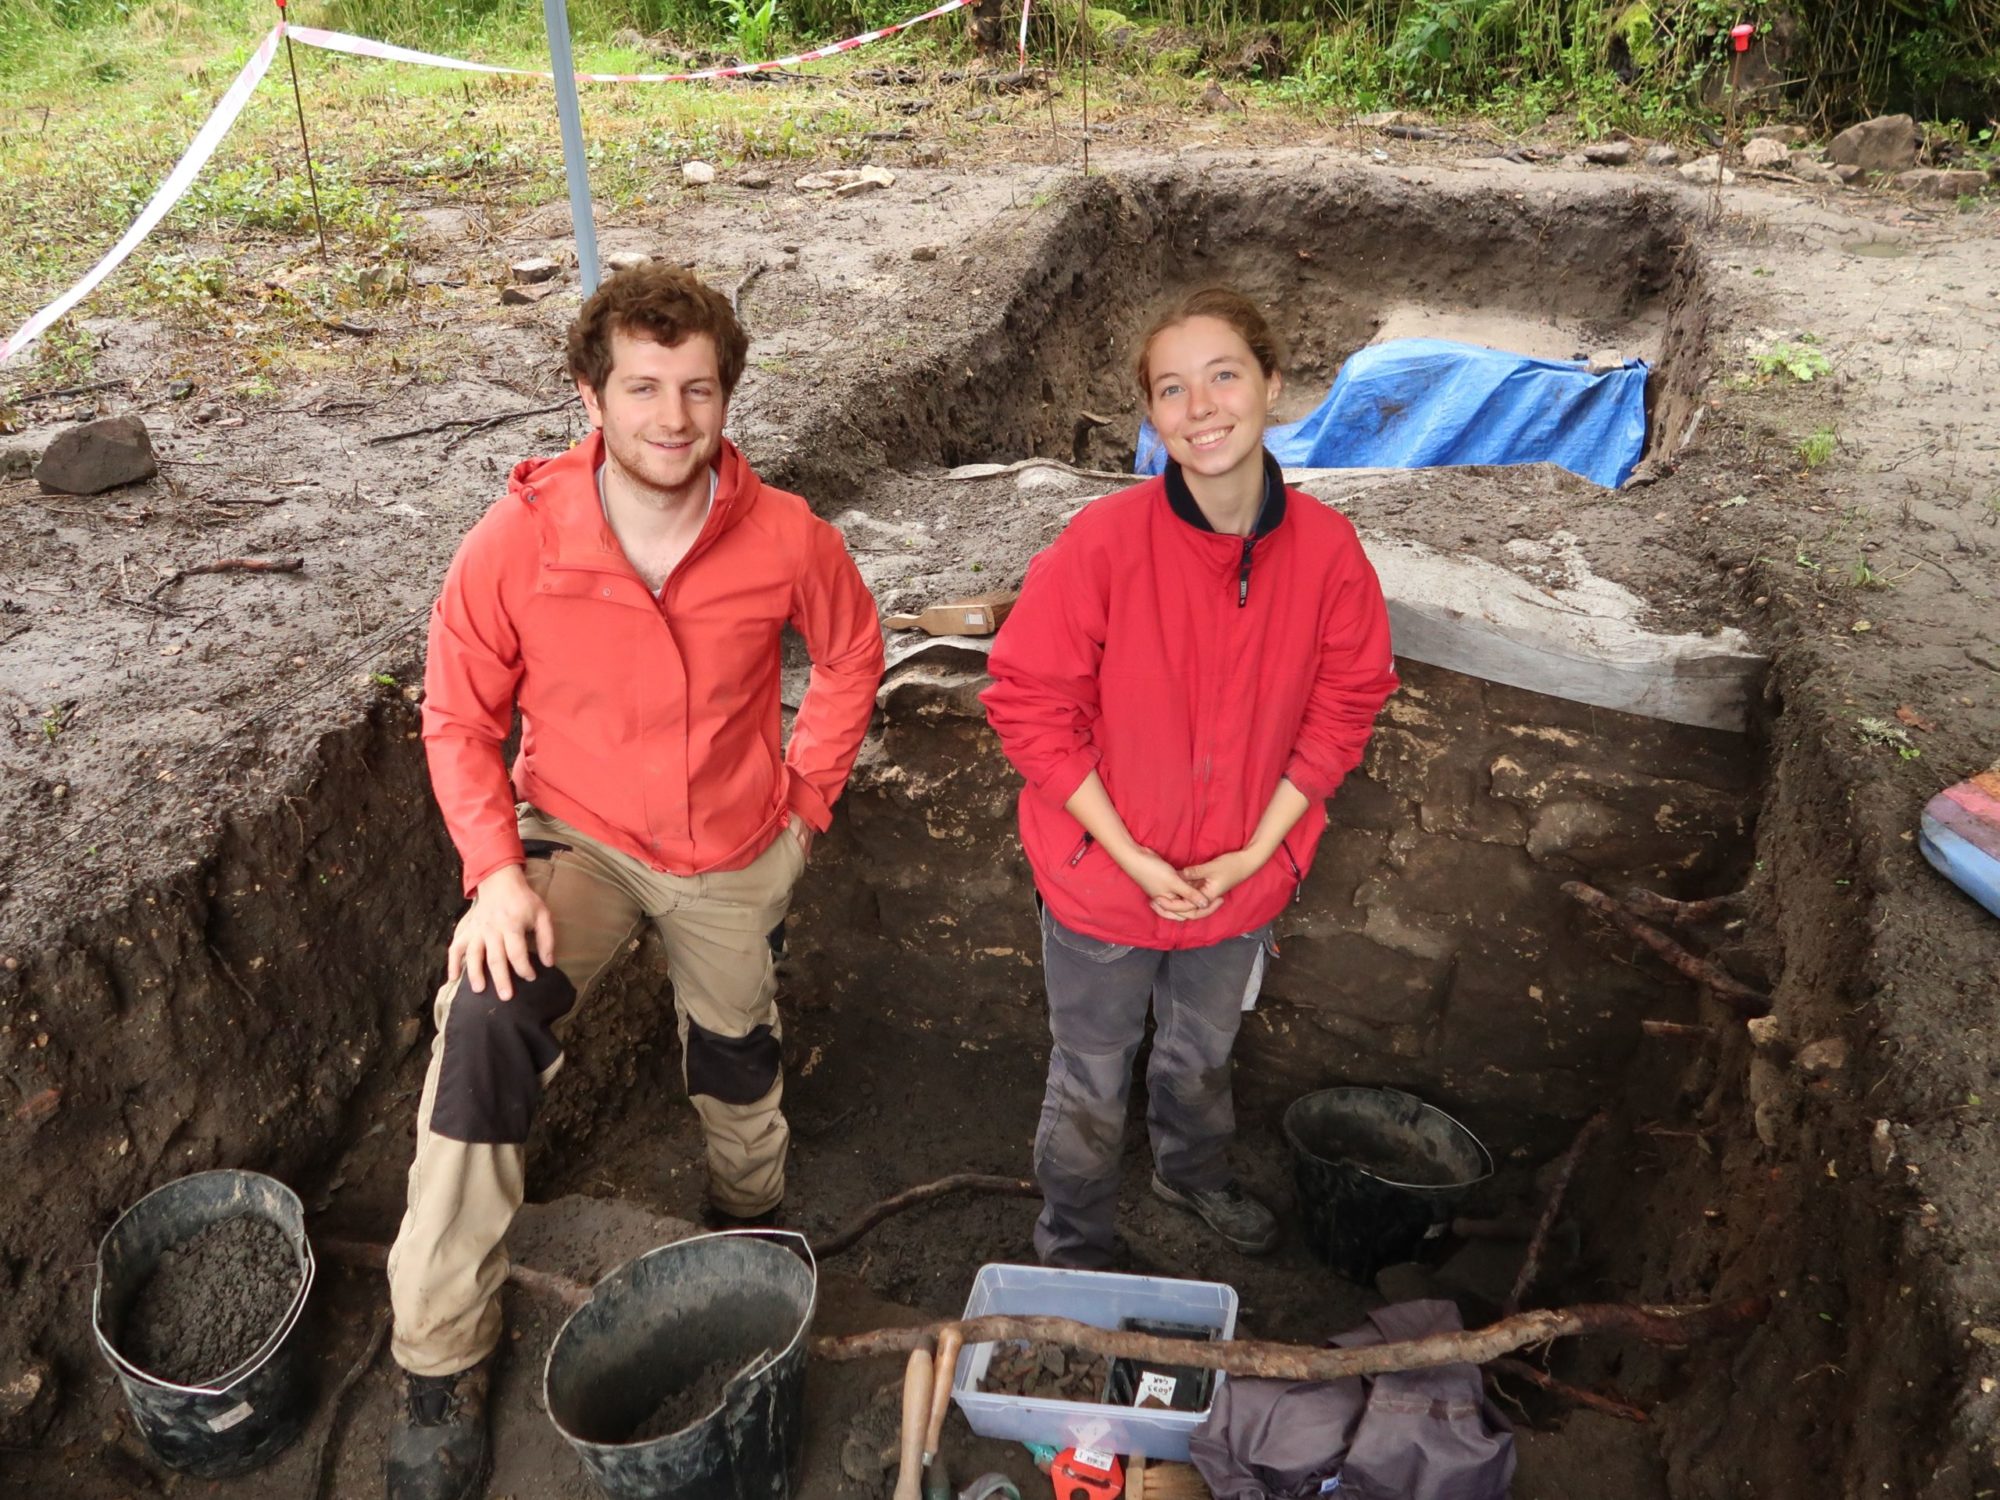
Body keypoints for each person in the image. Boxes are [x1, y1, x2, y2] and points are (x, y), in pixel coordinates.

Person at [384, 264, 884, 1500]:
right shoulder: (518, 541)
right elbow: (456, 715)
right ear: (589, 395)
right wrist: (496, 874)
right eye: (644, 388)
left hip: (728, 848)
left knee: (733, 1047)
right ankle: (437, 1359)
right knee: (485, 1025)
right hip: (581, 840)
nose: (673, 417)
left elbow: (852, 653)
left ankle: (744, 1215)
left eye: (698, 389)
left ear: (727, 395)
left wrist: (804, 805)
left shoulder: (784, 538)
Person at [980, 286, 1398, 1271]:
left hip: (1238, 880)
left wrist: (1255, 849)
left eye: (1222, 375)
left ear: (1271, 386)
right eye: (1171, 389)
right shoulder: (1102, 545)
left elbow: (1345, 704)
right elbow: (1028, 702)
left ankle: (1189, 1174)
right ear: (1150, 416)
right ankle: (1071, 1244)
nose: (1199, 407)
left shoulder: (1329, 556)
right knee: (1088, 1072)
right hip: (1100, 880)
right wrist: (1129, 855)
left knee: (1201, 1054)